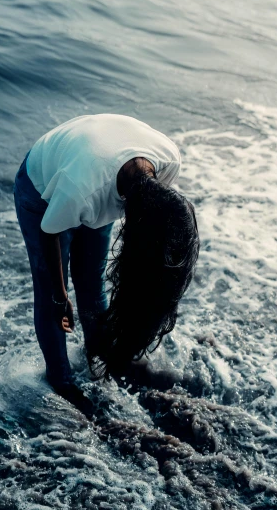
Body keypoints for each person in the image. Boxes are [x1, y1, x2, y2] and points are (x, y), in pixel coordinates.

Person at [13, 114, 199, 413]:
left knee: (92, 283)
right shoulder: (82, 191)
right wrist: (61, 297)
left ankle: (102, 356)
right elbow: (49, 231)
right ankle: (60, 381)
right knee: (49, 294)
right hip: (43, 187)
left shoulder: (167, 162)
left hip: (94, 169)